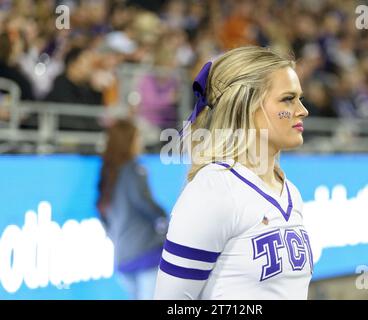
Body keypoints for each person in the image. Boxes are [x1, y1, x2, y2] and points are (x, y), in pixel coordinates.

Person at [154, 46, 313, 300]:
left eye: (299, 98)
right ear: (246, 105)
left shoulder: (289, 191)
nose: (302, 110)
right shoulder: (214, 188)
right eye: (288, 99)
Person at [97, 119, 167, 300]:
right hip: (146, 253)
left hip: (123, 257)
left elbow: (102, 213)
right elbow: (143, 202)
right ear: (129, 141)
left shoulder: (107, 173)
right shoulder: (134, 169)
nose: (140, 142)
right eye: (137, 137)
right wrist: (163, 219)